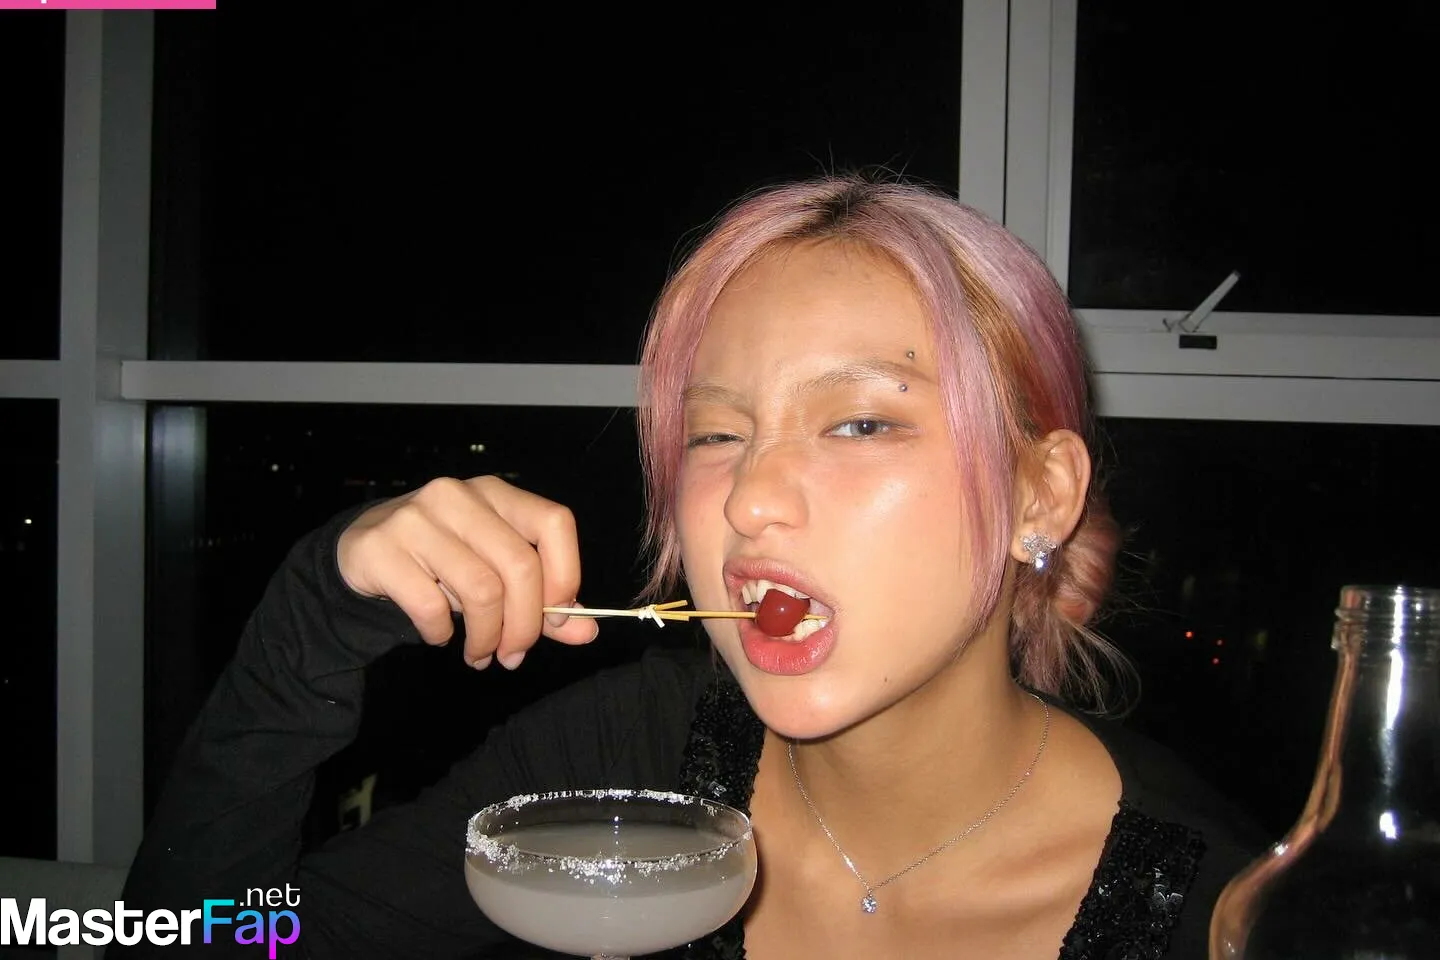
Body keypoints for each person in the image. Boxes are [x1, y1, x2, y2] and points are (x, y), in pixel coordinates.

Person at [117, 176, 1262, 958]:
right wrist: (317, 617)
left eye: (861, 422)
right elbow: (209, 937)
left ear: (1040, 496)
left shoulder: (1214, 909)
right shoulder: (623, 761)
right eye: (716, 433)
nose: (750, 498)